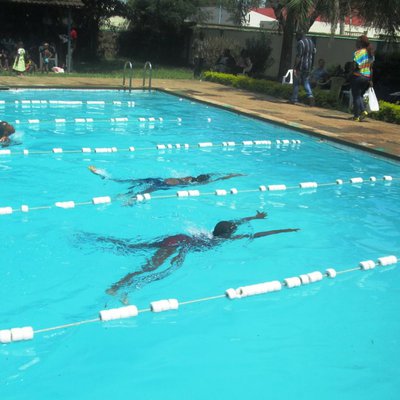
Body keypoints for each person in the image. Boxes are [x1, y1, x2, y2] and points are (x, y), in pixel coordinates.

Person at [82, 211, 299, 300]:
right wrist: (284, 230)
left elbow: (234, 223)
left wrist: (255, 216)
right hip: (179, 244)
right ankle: (116, 288)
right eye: (232, 230)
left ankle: (101, 241)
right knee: (152, 268)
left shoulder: (213, 233)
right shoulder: (224, 240)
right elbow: (258, 235)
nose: (234, 230)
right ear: (227, 234)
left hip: (178, 238)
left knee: (136, 247)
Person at [88, 165, 244, 198]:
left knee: (125, 181)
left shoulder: (188, 176)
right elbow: (217, 178)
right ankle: (128, 199)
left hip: (157, 179)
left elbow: (213, 174)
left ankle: (102, 174)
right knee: (140, 193)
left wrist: (231, 173)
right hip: (160, 185)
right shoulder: (194, 184)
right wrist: (231, 175)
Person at [350, 35, 374, 122]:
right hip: (366, 77)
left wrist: (350, 73)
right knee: (359, 96)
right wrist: (371, 80)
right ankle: (359, 114)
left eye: (357, 41)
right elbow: (371, 68)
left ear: (360, 43)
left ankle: (360, 113)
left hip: (358, 76)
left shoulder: (358, 53)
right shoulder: (370, 53)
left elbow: (354, 65)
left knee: (356, 96)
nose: (355, 43)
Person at [290, 31, 316, 106]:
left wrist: (295, 67)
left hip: (300, 66)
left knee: (296, 82)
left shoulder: (300, 43)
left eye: (296, 36)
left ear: (299, 36)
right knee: (306, 81)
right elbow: (314, 52)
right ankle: (310, 95)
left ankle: (294, 99)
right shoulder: (311, 42)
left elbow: (299, 56)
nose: (296, 38)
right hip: (308, 66)